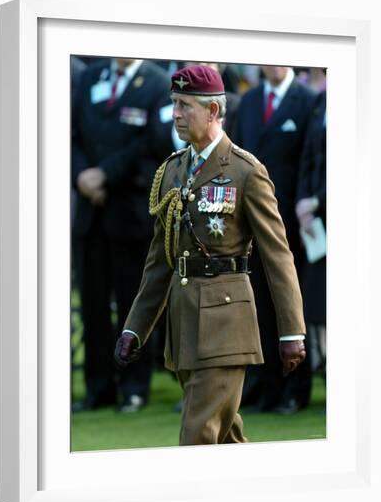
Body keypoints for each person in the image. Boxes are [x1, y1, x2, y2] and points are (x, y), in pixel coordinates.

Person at [114, 64, 306, 445]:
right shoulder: (172, 170)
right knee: (224, 439)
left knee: (197, 437)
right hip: (184, 328)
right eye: (174, 103)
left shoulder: (245, 171)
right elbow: (160, 261)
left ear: (213, 111)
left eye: (186, 105)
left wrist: (292, 331)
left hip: (226, 327)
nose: (176, 114)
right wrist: (135, 326)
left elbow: (277, 255)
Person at [71, 57, 174, 413]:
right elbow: (71, 134)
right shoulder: (89, 77)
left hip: (130, 211)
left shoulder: (159, 82)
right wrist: (82, 175)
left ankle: (133, 386)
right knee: (93, 305)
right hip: (90, 210)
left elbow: (152, 144)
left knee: (134, 305)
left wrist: (105, 174)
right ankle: (98, 388)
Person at [235, 65, 316, 414]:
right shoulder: (250, 101)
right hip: (250, 224)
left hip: (290, 226)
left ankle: (295, 390)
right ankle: (267, 389)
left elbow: (309, 161)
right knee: (259, 308)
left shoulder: (307, 101)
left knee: (291, 306)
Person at [296, 89, 327, 379]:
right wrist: (303, 202)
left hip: (337, 214)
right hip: (316, 225)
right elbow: (308, 157)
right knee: (318, 306)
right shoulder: (321, 101)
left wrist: (318, 199)